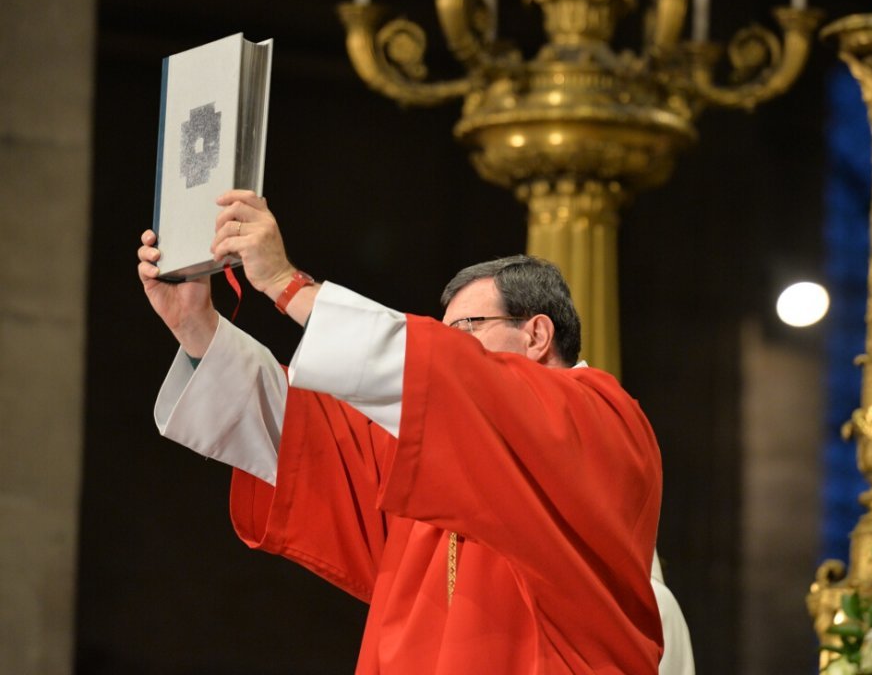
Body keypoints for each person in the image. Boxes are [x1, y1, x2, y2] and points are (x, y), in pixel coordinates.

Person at [138, 189, 692, 674]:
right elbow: (309, 440)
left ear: (536, 334)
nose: (448, 350)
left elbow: (444, 374)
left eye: (464, 331)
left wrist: (287, 285)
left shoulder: (599, 420)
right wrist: (199, 329)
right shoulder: (441, 454)